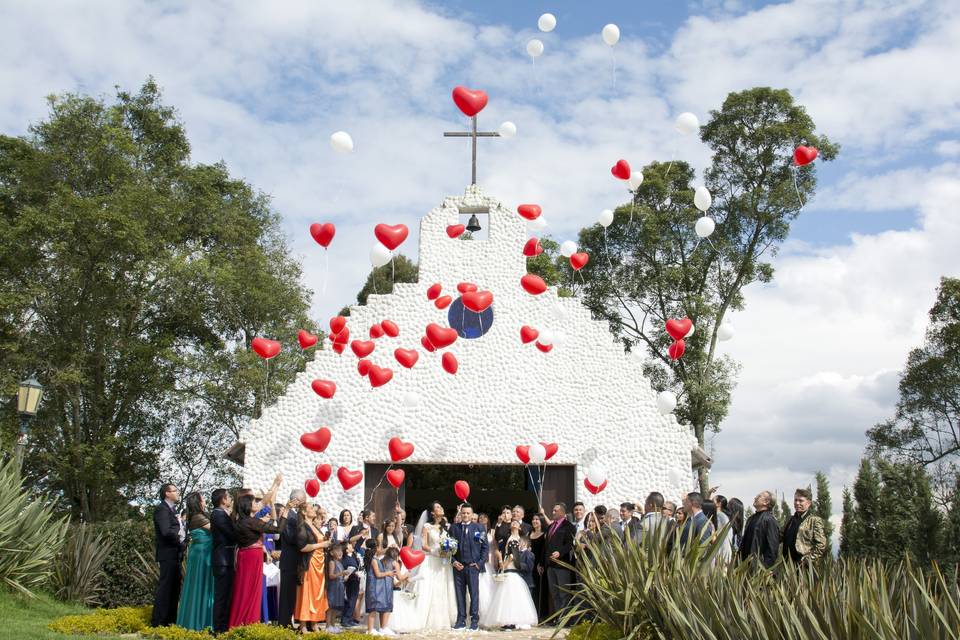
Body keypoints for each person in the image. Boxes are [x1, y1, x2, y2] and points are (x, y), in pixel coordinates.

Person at [229, 491, 288, 628]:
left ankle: (241, 622)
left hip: (245, 556)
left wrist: (275, 485)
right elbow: (279, 529)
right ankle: (248, 623)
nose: (257, 504)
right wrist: (287, 510)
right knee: (252, 591)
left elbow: (263, 505)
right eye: (254, 502)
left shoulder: (241, 521)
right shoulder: (252, 522)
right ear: (247, 506)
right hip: (252, 557)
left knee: (243, 589)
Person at [409, 500, 458, 629]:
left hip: (444, 562)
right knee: (429, 588)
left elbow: (451, 541)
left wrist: (448, 550)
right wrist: (434, 551)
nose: (441, 508)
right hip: (431, 559)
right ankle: (423, 619)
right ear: (432, 513)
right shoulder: (427, 526)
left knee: (443, 588)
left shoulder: (446, 526)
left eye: (441, 506)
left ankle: (444, 620)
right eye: (437, 507)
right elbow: (423, 544)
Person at [486, 523, 538, 629]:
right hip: (508, 575)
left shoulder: (520, 555)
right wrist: (501, 558)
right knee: (506, 600)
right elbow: (503, 567)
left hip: (514, 577)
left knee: (514, 599)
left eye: (517, 544)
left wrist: (511, 559)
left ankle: (515, 621)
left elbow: (522, 566)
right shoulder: (509, 555)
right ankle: (508, 621)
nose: (516, 545)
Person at [176, 492, 214, 631]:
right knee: (201, 584)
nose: (204, 502)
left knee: (202, 585)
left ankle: (201, 619)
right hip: (202, 555)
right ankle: (201, 621)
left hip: (202, 553)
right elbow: (216, 529)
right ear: (197, 502)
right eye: (203, 499)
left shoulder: (199, 516)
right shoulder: (198, 517)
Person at [450, 503, 488, 631]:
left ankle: (474, 621)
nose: (465, 515)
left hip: (472, 567)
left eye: (468, 513)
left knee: (474, 594)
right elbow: (448, 548)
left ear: (472, 515)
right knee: (459, 594)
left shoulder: (479, 528)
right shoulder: (454, 528)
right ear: (460, 514)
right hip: (458, 567)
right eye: (463, 513)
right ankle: (461, 620)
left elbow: (485, 548)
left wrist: (479, 563)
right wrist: (454, 561)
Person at [152, 483, 185, 627]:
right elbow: (166, 532)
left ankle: (170, 620)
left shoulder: (172, 510)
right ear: (167, 493)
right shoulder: (162, 509)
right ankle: (159, 621)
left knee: (174, 588)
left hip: (175, 554)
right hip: (168, 554)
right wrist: (180, 540)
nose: (177, 493)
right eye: (174, 491)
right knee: (166, 588)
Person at [295, 502, 331, 632]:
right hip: (309, 562)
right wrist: (322, 545)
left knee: (318, 592)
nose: (313, 509)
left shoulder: (316, 525)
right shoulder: (302, 526)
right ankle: (303, 624)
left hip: (320, 562)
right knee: (307, 591)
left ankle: (314, 622)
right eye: (310, 508)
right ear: (304, 512)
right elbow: (303, 547)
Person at [278, 488, 306, 628]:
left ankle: (289, 622)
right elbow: (289, 537)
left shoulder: (296, 516)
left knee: (292, 594)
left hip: (296, 559)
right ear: (296, 501)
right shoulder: (288, 516)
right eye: (303, 501)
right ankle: (284, 624)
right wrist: (305, 540)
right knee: (287, 593)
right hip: (289, 559)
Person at [210, 488, 237, 634]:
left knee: (227, 595)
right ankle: (219, 628)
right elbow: (231, 534)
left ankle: (224, 626)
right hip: (222, 561)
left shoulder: (223, 514)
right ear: (223, 500)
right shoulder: (218, 515)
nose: (230, 499)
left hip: (227, 559)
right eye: (228, 497)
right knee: (221, 596)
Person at [544, 502, 576, 619]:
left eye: (555, 511)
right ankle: (559, 618)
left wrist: (560, 553)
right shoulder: (550, 527)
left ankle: (566, 619)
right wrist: (542, 563)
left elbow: (570, 544)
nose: (552, 512)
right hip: (550, 566)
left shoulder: (569, 526)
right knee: (555, 594)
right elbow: (546, 546)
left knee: (564, 594)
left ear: (562, 512)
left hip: (562, 565)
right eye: (553, 510)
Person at [782, 487, 828, 564]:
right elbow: (779, 536)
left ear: (809, 503)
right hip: (788, 566)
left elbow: (821, 545)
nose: (797, 503)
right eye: (795, 500)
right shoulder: (790, 520)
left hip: (804, 568)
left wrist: (807, 561)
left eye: (801, 501)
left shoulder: (814, 520)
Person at [739, 491, 780, 568]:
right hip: (745, 566)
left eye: (759, 496)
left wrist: (766, 568)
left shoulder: (769, 520)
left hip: (758, 568)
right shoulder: (751, 519)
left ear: (766, 502)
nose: (755, 498)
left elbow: (772, 547)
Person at [365, 537, 397, 635]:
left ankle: (379, 628)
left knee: (377, 607)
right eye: (378, 546)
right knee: (373, 609)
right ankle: (370, 630)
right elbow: (378, 574)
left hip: (377, 587)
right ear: (375, 548)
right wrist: (388, 573)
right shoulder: (374, 560)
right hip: (374, 587)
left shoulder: (374, 558)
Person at [528, 513, 549, 621]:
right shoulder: (528, 534)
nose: (535, 521)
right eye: (533, 519)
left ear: (541, 521)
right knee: (530, 590)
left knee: (540, 589)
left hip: (539, 565)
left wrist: (541, 564)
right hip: (529, 565)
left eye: (537, 519)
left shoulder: (544, 534)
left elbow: (544, 551)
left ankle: (541, 615)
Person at [326, 543, 348, 632]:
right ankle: (328, 626)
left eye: (341, 551)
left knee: (336, 607)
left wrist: (345, 576)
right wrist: (341, 574)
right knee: (331, 607)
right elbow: (331, 576)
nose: (340, 552)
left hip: (339, 586)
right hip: (333, 587)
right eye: (337, 551)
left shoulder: (340, 563)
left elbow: (339, 575)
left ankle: (333, 624)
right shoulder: (332, 562)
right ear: (331, 553)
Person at [340, 541, 362, 628]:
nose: (351, 546)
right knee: (350, 600)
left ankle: (349, 618)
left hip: (356, 579)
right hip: (350, 580)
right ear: (346, 549)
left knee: (353, 599)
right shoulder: (345, 559)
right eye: (349, 545)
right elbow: (347, 568)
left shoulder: (353, 555)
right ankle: (345, 619)